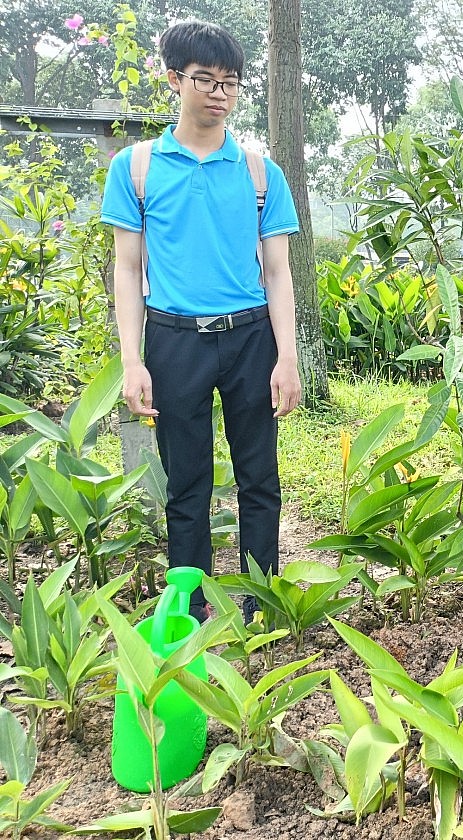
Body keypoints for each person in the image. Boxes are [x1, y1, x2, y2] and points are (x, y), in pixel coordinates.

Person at [101, 20, 301, 624]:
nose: (219, 93)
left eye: (230, 83)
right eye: (205, 80)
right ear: (175, 80)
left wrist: (287, 357)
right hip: (173, 341)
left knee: (259, 481)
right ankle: (188, 613)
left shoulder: (261, 171)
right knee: (185, 487)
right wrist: (132, 360)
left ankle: (262, 607)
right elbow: (129, 269)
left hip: (250, 339)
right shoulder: (137, 168)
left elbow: (278, 273)